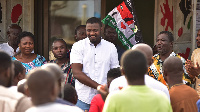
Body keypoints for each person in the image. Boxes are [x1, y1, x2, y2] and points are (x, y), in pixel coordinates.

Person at [70, 17, 119, 111]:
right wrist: (98, 86)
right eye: (89, 30)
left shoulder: (111, 47)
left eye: (95, 30)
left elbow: (115, 72)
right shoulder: (78, 46)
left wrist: (109, 90)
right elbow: (77, 73)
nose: (92, 33)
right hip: (83, 99)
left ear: (101, 29)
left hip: (104, 98)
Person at [103, 50, 172, 112]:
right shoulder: (162, 98)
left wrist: (105, 98)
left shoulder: (114, 99)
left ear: (122, 72)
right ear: (146, 70)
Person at [185, 29, 200, 96]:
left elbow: (198, 74)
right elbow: (193, 80)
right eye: (197, 36)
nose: (197, 38)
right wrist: (191, 75)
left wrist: (198, 74)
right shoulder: (195, 52)